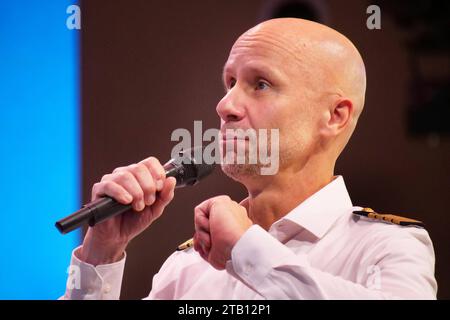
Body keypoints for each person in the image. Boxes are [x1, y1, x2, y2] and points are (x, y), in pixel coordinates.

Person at [62, 18, 437, 299]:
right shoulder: (187, 267)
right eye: (229, 83)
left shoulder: (386, 248)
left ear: (334, 116)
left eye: (261, 84)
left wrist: (246, 250)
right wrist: (101, 254)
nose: (225, 106)